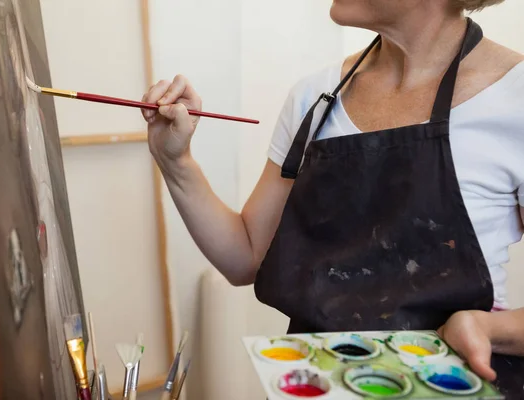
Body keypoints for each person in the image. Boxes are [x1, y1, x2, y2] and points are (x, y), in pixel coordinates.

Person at [141, 0, 524, 395]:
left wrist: (488, 329)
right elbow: (246, 258)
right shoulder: (315, 97)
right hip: (321, 383)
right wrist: (176, 162)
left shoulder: (516, 96)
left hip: (449, 384)